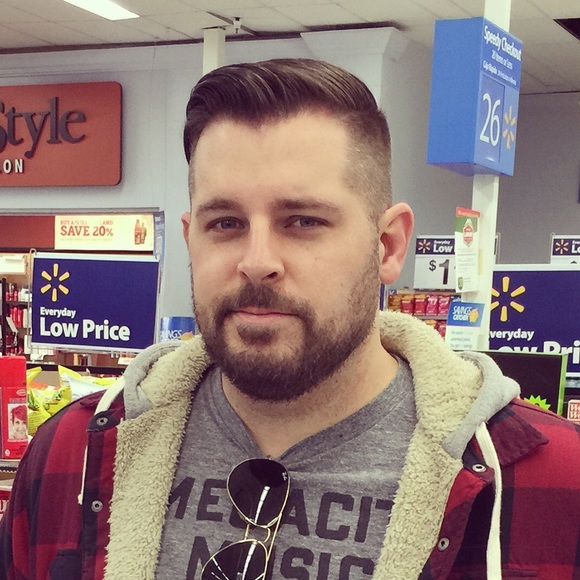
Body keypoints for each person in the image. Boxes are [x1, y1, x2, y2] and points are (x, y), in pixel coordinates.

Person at [1, 58, 579, 580]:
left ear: (387, 245)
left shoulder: (550, 480)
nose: (257, 262)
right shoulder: (72, 456)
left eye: (303, 221)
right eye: (225, 223)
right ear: (191, 238)